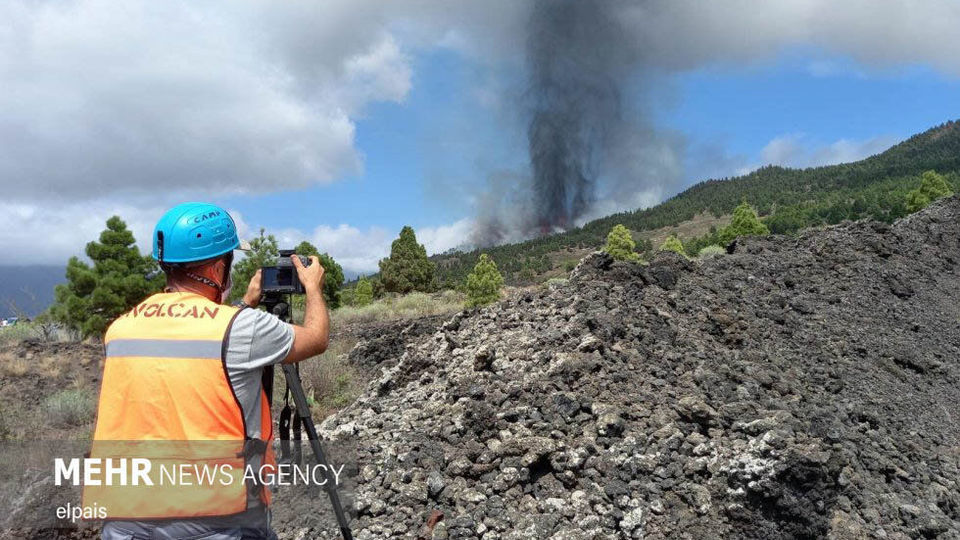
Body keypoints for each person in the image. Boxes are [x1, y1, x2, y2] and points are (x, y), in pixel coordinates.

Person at [84, 202, 329, 540]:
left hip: (125, 514)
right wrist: (313, 287)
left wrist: (245, 303)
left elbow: (192, 342)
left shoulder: (121, 329)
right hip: (212, 518)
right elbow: (316, 338)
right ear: (217, 269)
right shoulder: (241, 328)